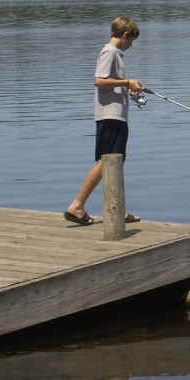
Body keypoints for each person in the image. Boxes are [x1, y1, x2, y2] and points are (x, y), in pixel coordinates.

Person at [65, 17, 143, 226]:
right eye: (131, 40)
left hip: (117, 117)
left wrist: (127, 87)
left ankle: (116, 209)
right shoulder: (109, 52)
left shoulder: (116, 54)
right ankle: (77, 206)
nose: (131, 45)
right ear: (125, 35)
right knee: (107, 162)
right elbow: (99, 81)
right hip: (110, 117)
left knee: (115, 163)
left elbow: (110, 83)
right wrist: (127, 81)